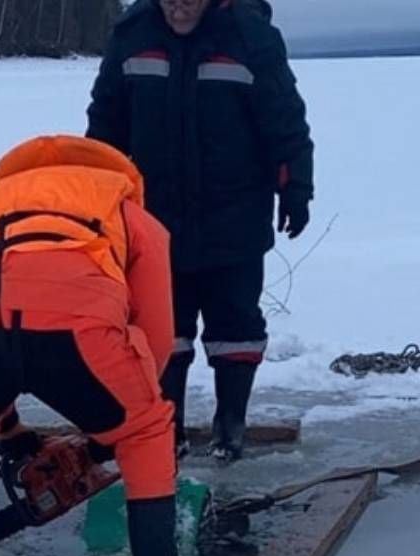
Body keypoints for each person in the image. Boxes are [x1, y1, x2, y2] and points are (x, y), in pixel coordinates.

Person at [0, 135, 199, 556]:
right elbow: (156, 335)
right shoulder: (131, 215)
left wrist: (6, 426)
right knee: (146, 431)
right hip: (81, 332)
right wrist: (116, 426)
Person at [86, 0, 315, 461]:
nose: (178, 6)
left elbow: (285, 121)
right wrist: (98, 193)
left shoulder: (251, 38)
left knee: (236, 326)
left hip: (235, 214)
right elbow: (105, 122)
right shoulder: (132, 33)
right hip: (154, 219)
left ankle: (230, 426)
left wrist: (296, 186)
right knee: (162, 327)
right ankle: (165, 428)